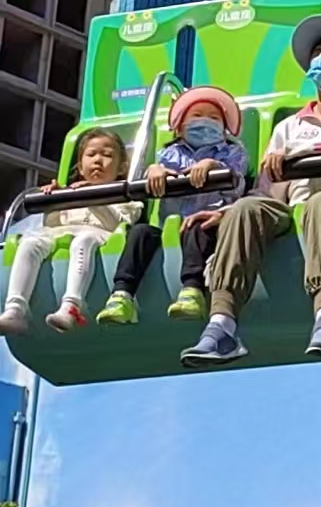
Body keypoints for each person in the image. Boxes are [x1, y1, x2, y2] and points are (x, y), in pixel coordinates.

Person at [182, 17, 321, 367]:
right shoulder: (289, 127)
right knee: (245, 210)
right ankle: (222, 325)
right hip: (297, 204)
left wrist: (297, 157)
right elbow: (268, 189)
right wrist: (227, 212)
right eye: (318, 53)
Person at [96, 86, 248, 328]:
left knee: (198, 226)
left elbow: (237, 184)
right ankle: (122, 294)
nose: (205, 121)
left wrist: (213, 165)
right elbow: (153, 177)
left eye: (214, 118)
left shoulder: (232, 152)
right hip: (170, 225)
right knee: (140, 232)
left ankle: (192, 289)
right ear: (180, 126)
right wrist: (153, 171)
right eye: (197, 116)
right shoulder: (169, 153)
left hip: (209, 220)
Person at [0, 127, 139, 334]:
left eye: (107, 155)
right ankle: (15, 309)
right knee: (30, 242)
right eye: (91, 155)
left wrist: (90, 196)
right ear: (81, 167)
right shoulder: (72, 192)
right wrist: (55, 200)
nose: (98, 160)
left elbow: (117, 224)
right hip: (63, 233)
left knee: (83, 241)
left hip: (99, 235)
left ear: (121, 167)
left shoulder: (125, 197)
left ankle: (71, 305)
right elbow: (54, 224)